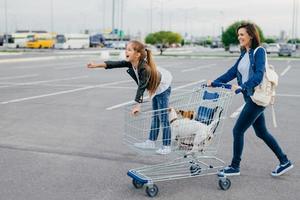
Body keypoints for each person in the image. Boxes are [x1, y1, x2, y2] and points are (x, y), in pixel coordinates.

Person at [208, 22, 293, 177]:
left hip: (256, 98)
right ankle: (284, 161)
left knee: (238, 130)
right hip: (250, 97)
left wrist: (243, 86)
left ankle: (235, 166)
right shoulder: (244, 53)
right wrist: (215, 82)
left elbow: (259, 75)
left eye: (242, 34)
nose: (239, 37)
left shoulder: (259, 52)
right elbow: (232, 72)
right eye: (238, 34)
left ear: (251, 35)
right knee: (262, 132)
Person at [87, 40, 173, 155]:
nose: (126, 51)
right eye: (126, 49)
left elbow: (141, 87)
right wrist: (96, 65)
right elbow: (115, 64)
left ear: (137, 54)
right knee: (155, 116)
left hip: (163, 87)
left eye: (129, 50)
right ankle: (151, 141)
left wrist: (137, 105)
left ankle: (166, 146)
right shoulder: (133, 63)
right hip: (155, 87)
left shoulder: (144, 68)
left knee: (163, 117)